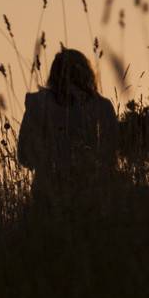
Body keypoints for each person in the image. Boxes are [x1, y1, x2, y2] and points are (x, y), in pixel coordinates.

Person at [16, 48, 118, 208]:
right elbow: (110, 156)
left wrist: (48, 166)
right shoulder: (102, 107)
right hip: (91, 196)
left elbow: (23, 154)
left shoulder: (37, 104)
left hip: (46, 195)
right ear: (87, 73)